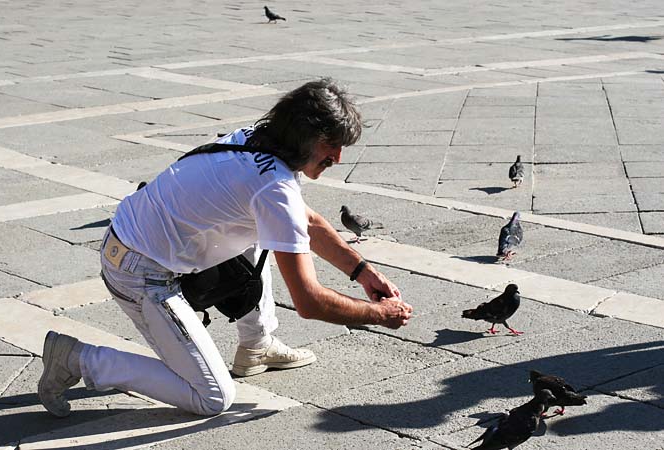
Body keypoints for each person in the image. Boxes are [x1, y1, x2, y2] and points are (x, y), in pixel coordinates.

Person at [38, 78, 413, 418]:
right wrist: (379, 314)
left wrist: (362, 272)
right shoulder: (274, 189)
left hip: (132, 237)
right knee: (212, 396)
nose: (338, 158)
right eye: (333, 146)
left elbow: (307, 223)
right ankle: (79, 358)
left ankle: (257, 344)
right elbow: (309, 301)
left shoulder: (254, 139)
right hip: (140, 272)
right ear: (306, 137)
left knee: (265, 230)